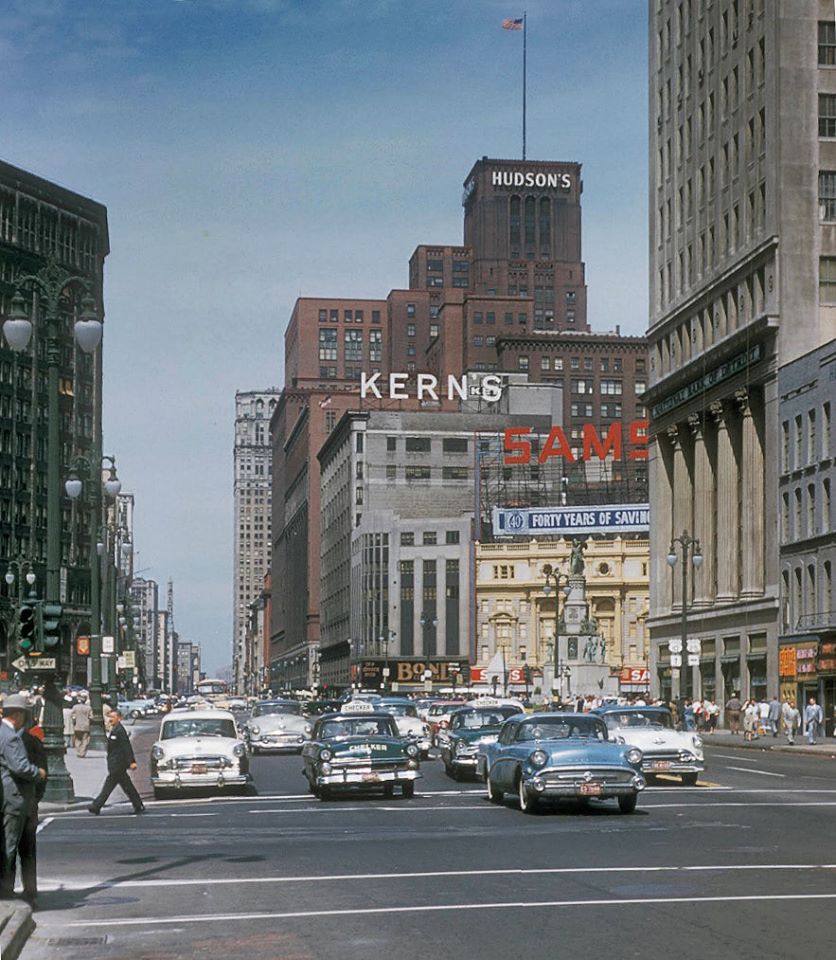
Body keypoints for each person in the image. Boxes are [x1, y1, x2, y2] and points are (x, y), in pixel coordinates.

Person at [0, 694, 47, 899]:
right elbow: (20, 767)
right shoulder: (13, 737)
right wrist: (38, 774)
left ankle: (8, 890)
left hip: (11, 798)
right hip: (17, 799)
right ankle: (7, 893)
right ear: (18, 715)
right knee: (13, 848)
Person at [88, 709, 145, 815]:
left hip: (118, 764)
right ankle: (138, 805)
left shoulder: (120, 731)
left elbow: (126, 747)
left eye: (113, 717)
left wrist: (131, 761)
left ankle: (97, 805)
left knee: (109, 786)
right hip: (115, 763)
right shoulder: (114, 729)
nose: (110, 720)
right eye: (110, 717)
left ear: (119, 718)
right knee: (127, 786)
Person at [18, 714, 48, 905]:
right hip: (30, 803)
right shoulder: (34, 743)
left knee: (9, 850)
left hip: (13, 804)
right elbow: (44, 774)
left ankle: (7, 892)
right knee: (28, 851)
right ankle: (30, 892)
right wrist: (36, 797)